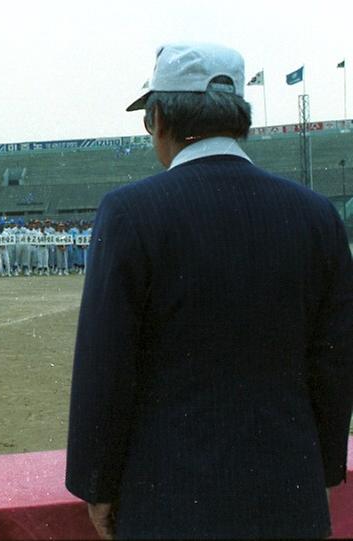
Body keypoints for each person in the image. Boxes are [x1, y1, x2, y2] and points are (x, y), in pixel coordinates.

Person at [65, 42, 353, 539]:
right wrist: (323, 473)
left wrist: (99, 483)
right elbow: (334, 364)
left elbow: (105, 365)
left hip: (169, 496)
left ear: (157, 117)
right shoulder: (316, 215)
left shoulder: (131, 213)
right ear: (240, 116)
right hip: (289, 493)